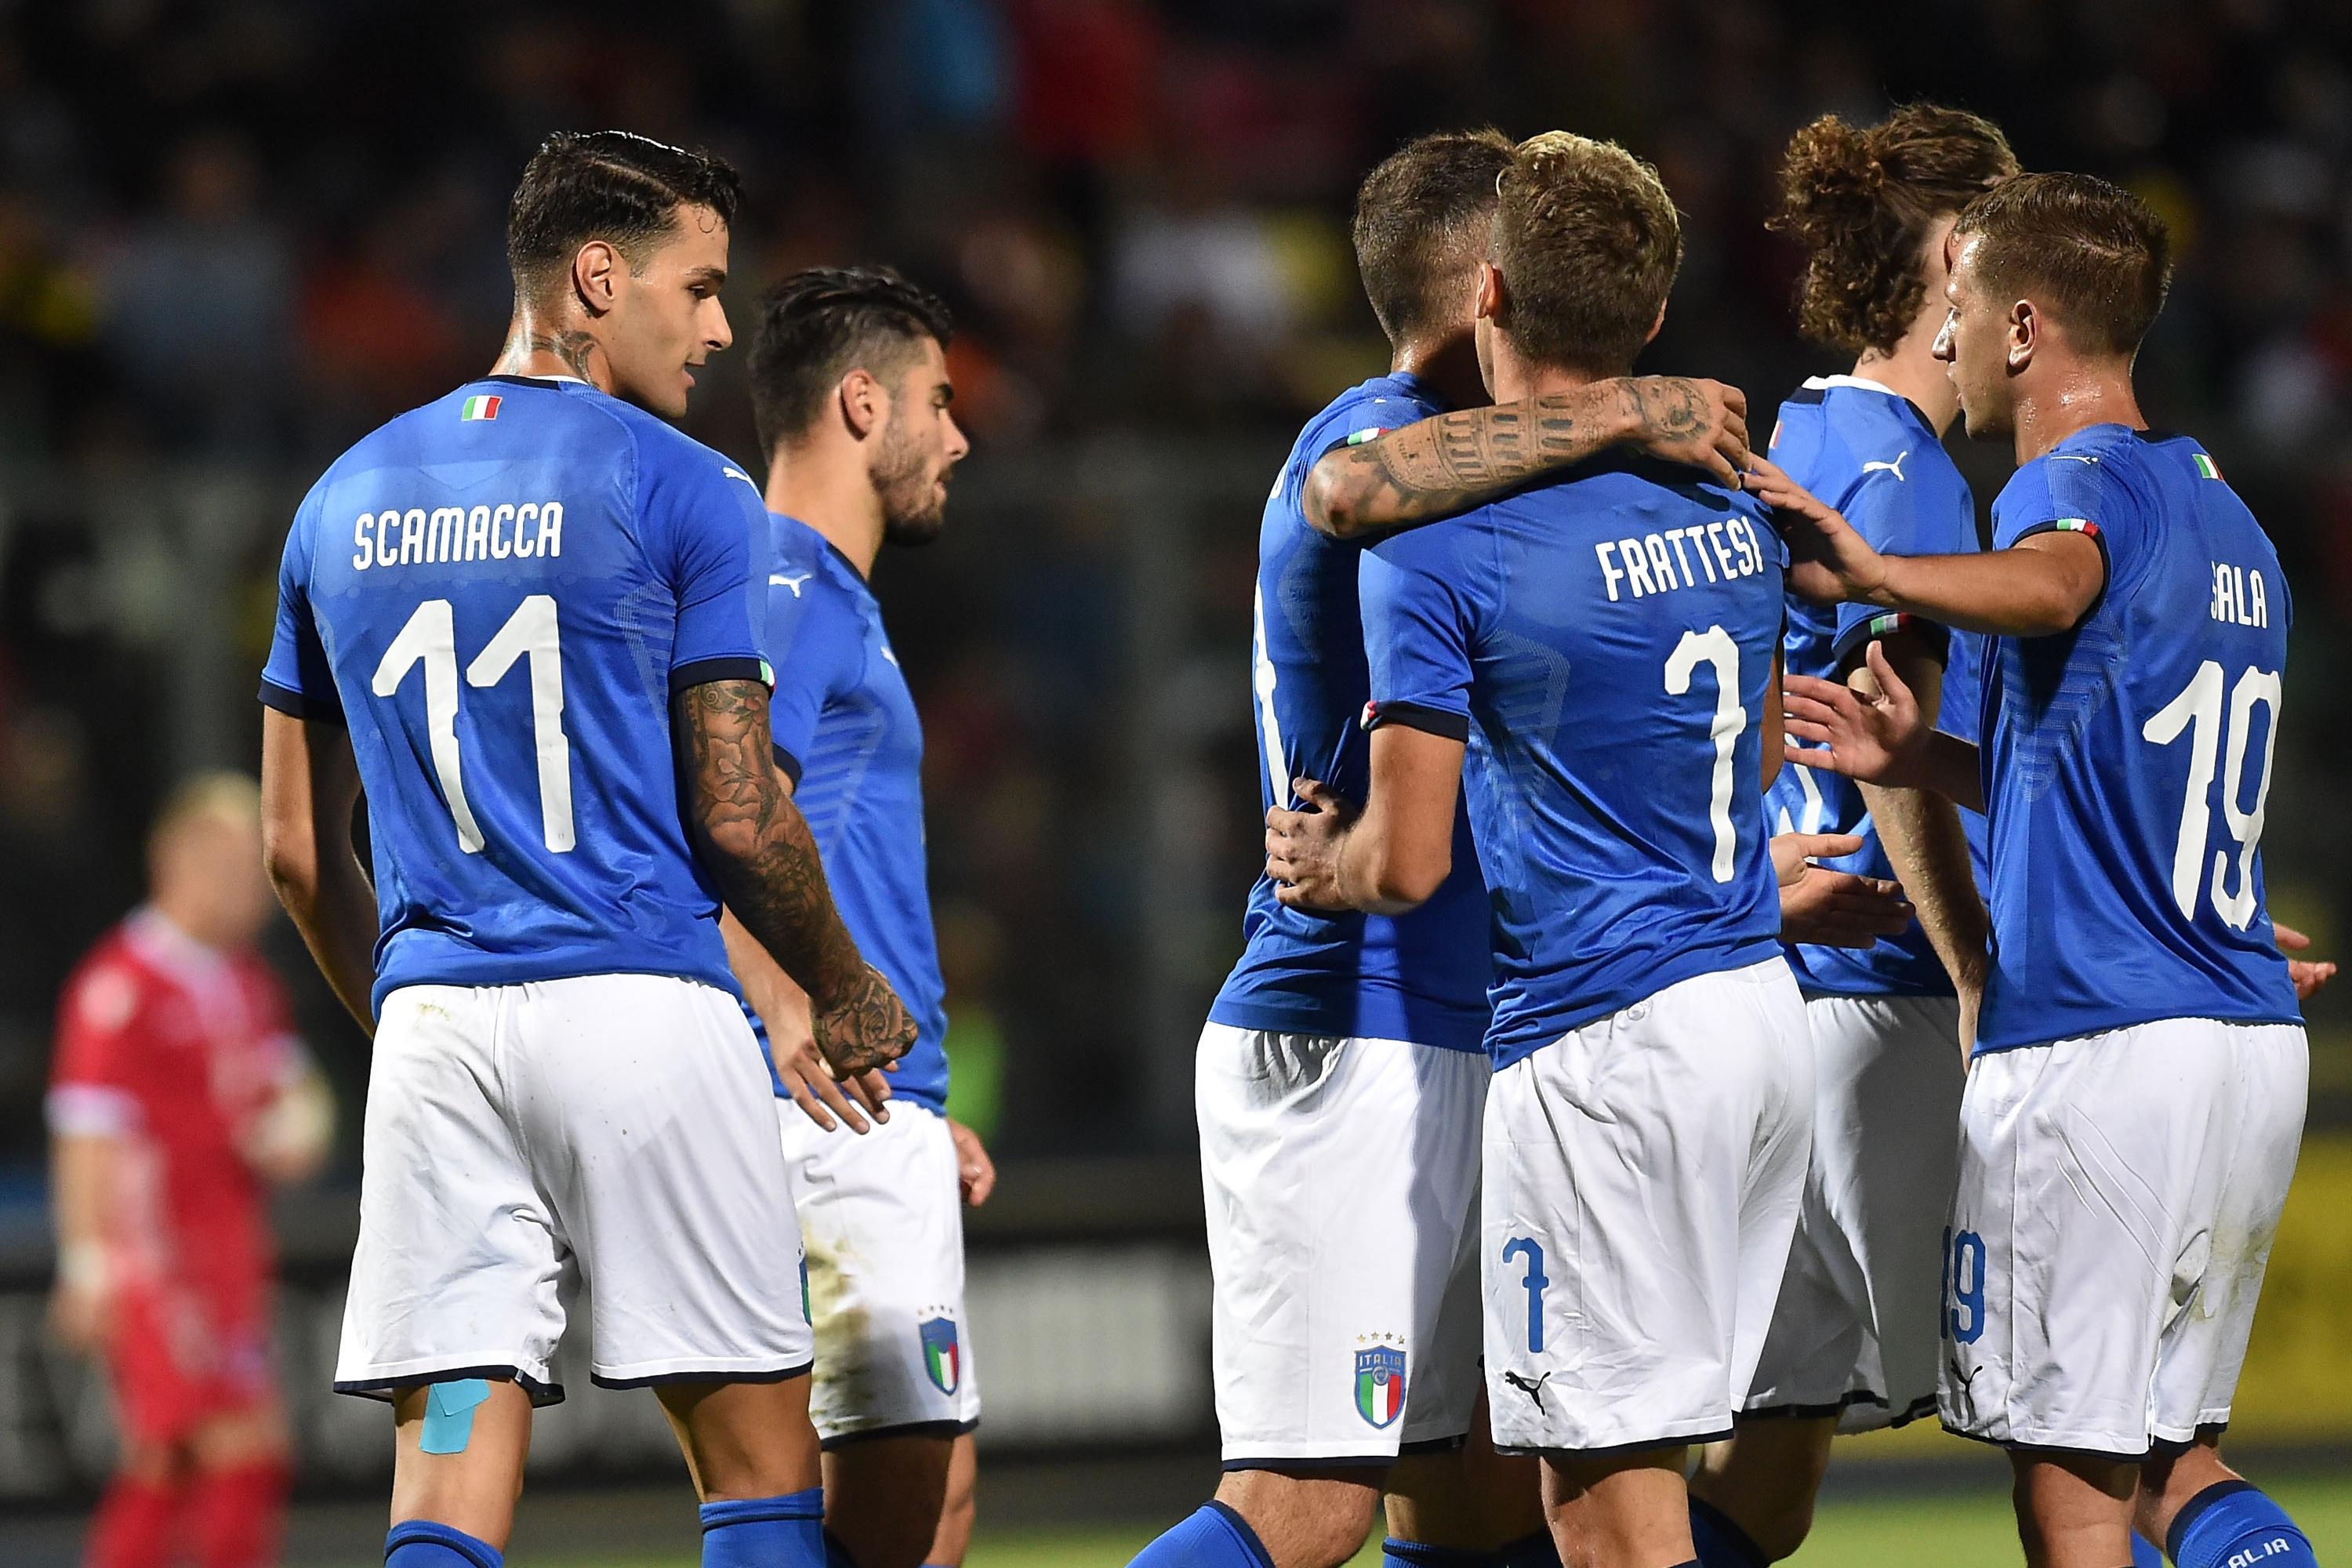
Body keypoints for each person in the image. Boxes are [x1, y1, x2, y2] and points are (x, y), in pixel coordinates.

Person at [1127, 127, 1845, 1568]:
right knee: (1309, 1502)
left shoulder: (1531, 499)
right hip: (1356, 1020)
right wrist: (1630, 409)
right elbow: (1359, 499)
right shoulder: (1371, 450)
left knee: (1473, 1502)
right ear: (1488, 296)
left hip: (1504, 1020)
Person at [256, 130, 914, 1568]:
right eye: (703, 285)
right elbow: (739, 814)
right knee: (754, 1466)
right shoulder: (689, 488)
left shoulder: (338, 500)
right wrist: (846, 984)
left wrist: (407, 1004)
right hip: (643, 1019)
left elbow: (298, 854)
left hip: (438, 1034)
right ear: (599, 275)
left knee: (443, 1459)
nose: (724, 326)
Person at [1759, 171, 2319, 1568]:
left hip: (2099, 1046)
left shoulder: (2058, 495)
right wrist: (1922, 758)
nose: (1940, 343)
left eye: (1956, 313)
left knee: (2069, 1493)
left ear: (2021, 328)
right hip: (2241, 1035)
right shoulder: (2231, 521)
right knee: (2176, 1462)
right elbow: (2098, 774)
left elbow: (2058, 578)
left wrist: (1881, 571)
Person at [1682, 105, 2019, 1568]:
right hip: (1872, 1011)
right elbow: (1890, 755)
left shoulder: (1799, 428)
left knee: (1764, 1477)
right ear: (1957, 264)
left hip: (1772, 999)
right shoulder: (1904, 474)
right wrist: (1978, 978)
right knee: (2090, 1432)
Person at [724, 263, 991, 1568]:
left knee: (938, 1510)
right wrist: (788, 1012)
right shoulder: (789, 581)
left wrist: (925, 1102)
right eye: (940, 402)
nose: (961, 435)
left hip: (879, 1095)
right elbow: (716, 813)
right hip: (824, 1108)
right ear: (862, 403)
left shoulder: (833, 598)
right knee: (887, 1524)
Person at [48, 773, 332, 1568]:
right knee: (240, 1442)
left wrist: (299, 1129)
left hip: (229, 1247)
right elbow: (86, 1132)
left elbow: (297, 1094)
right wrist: (88, 1261)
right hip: (158, 1258)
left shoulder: (247, 982)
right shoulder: (121, 983)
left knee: (170, 1456)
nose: (257, 888)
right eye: (241, 866)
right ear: (178, 859)